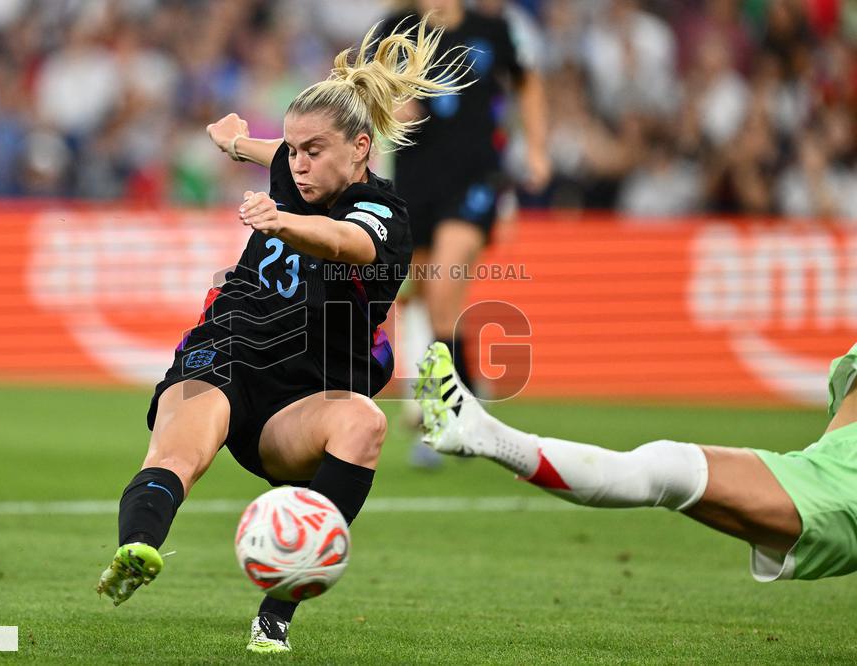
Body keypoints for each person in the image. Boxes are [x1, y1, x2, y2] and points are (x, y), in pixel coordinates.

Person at [94, 19, 471, 654]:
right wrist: (237, 142)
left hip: (299, 404)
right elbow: (274, 151)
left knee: (366, 424)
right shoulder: (293, 170)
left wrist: (285, 224)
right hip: (226, 355)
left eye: (312, 151)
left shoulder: (385, 213)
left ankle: (277, 610)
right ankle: (135, 552)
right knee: (175, 458)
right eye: (291, 151)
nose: (296, 163)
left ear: (360, 148)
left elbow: (348, 241)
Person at [415, 341, 857, 581]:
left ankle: (487, 435)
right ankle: (484, 434)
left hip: (842, 493)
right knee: (667, 467)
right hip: (827, 471)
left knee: (666, 470)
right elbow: (839, 435)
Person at [374, 0, 550, 468]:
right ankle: (468, 394)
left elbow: (527, 83)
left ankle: (442, 416)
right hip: (415, 181)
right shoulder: (397, 29)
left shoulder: (492, 30)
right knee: (437, 302)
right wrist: (391, 102)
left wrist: (535, 148)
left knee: (445, 284)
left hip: (475, 179)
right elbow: (366, 94)